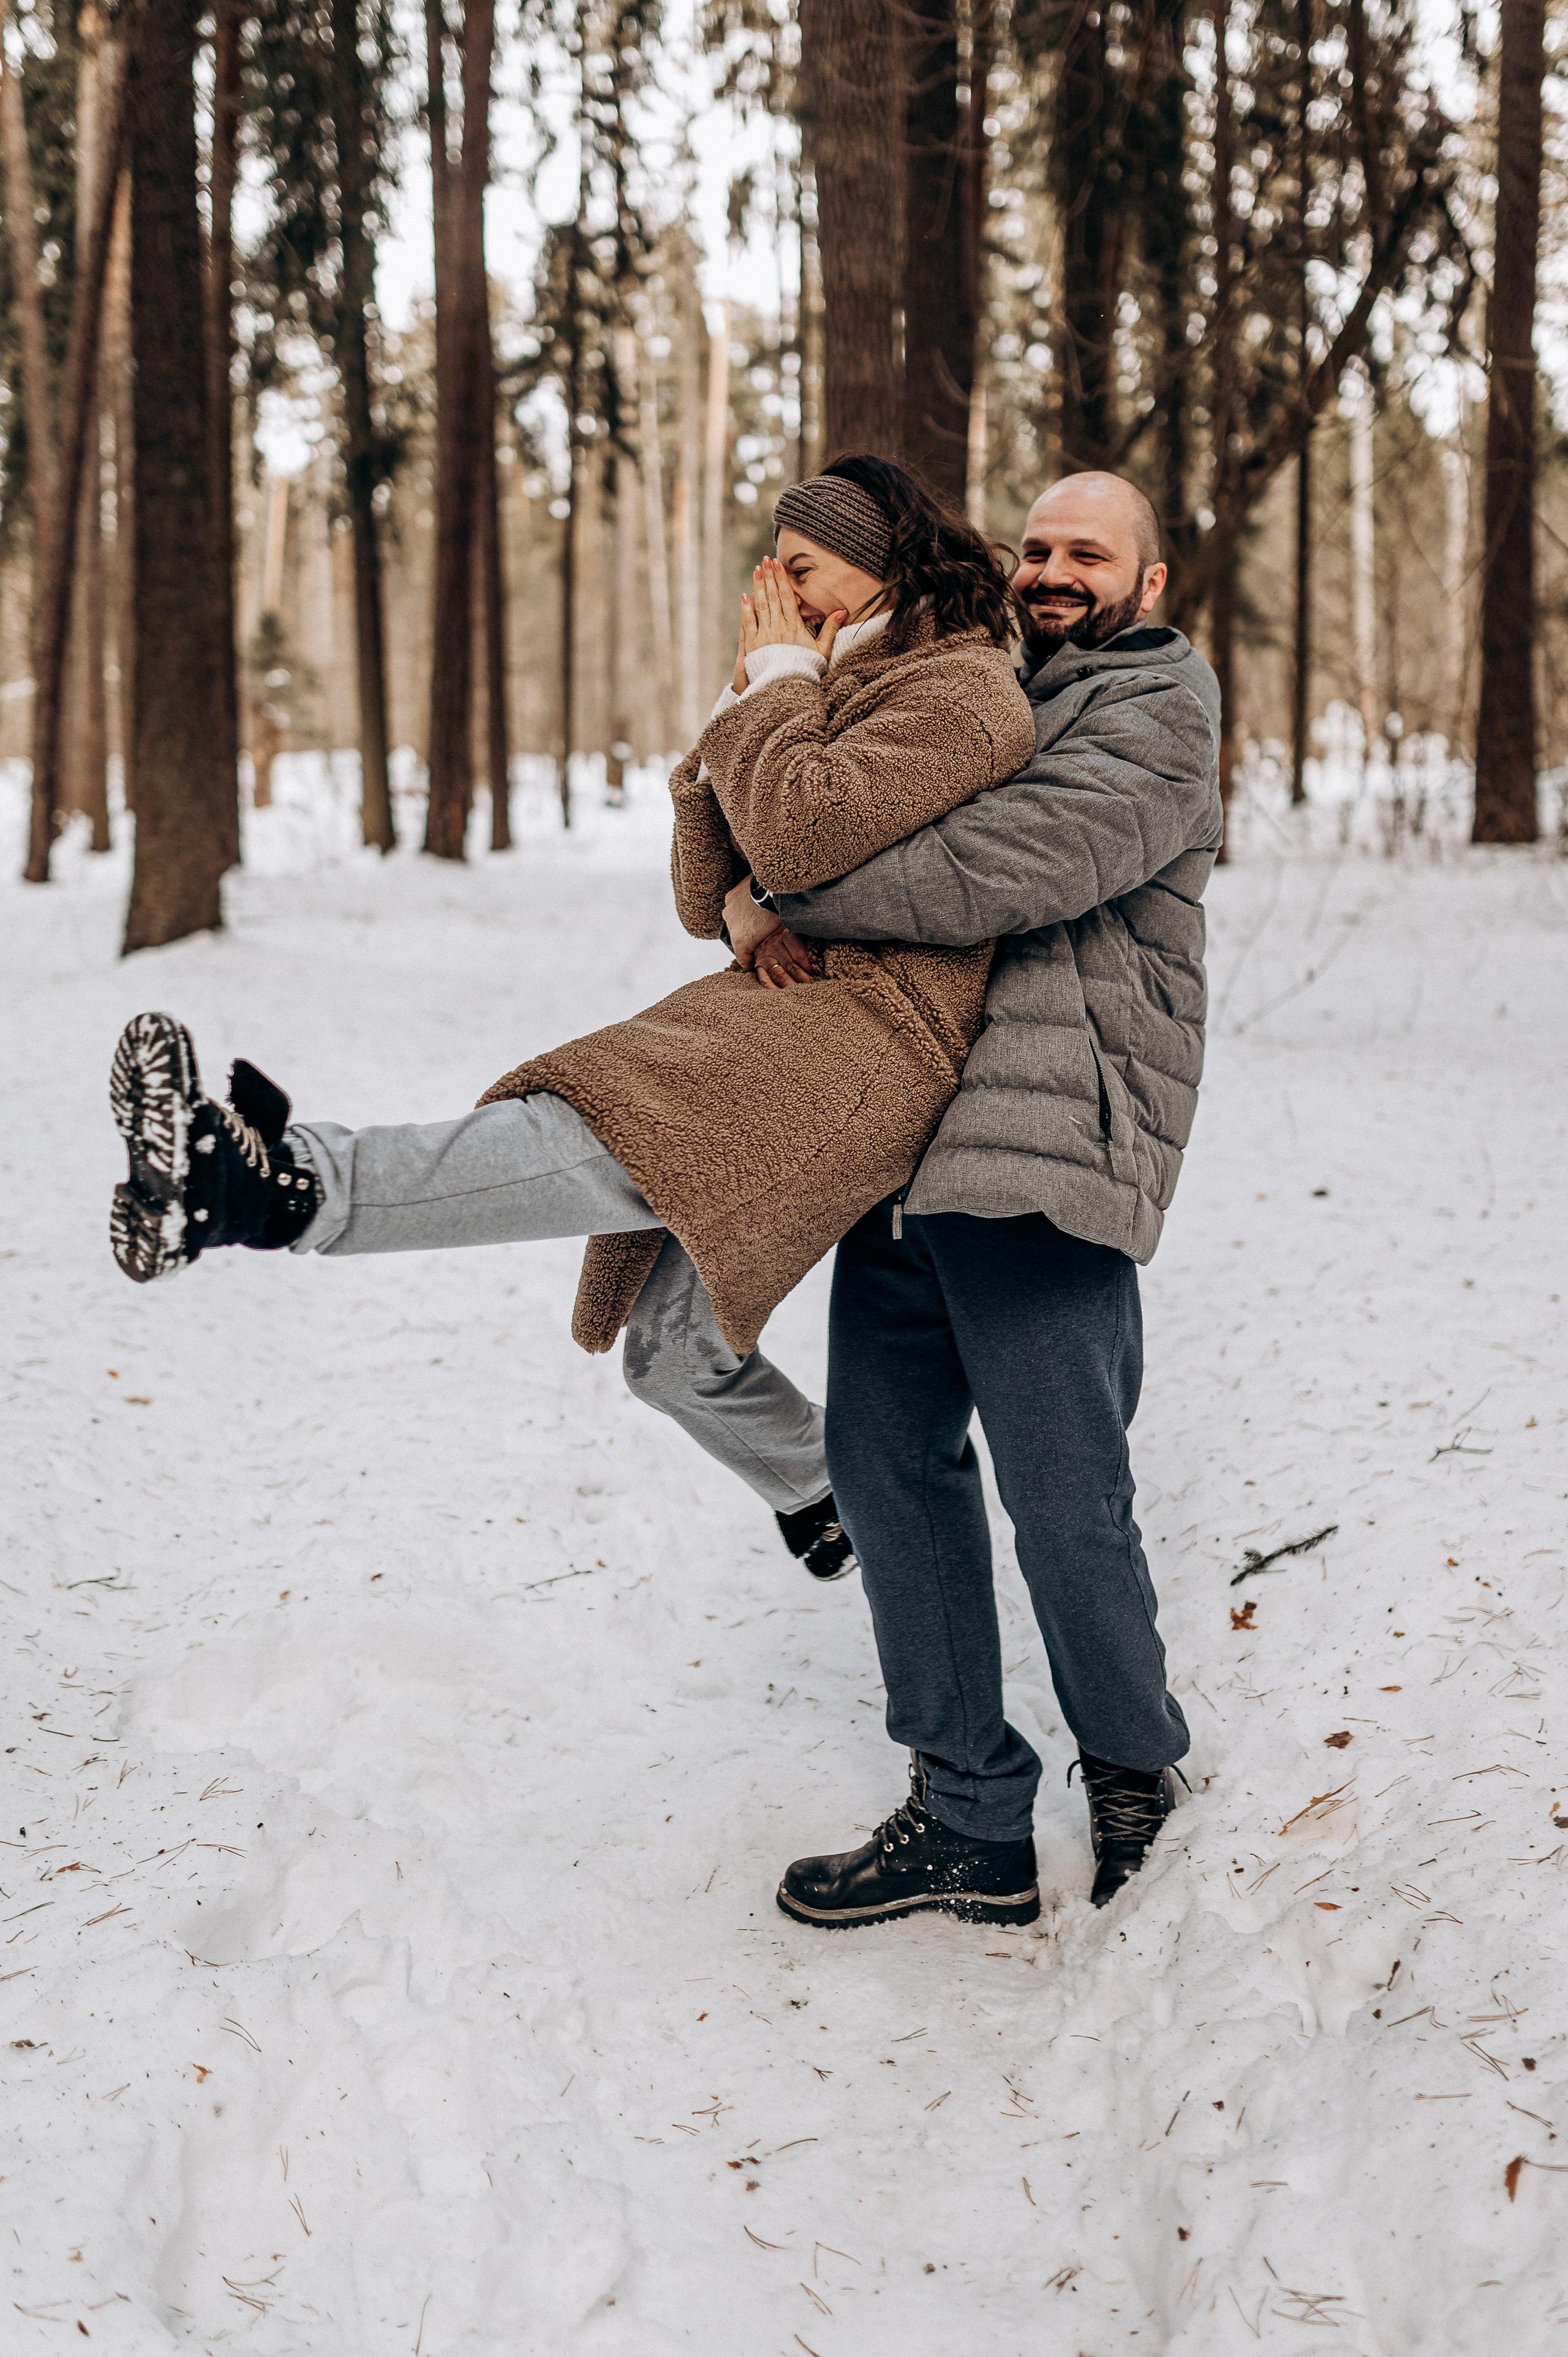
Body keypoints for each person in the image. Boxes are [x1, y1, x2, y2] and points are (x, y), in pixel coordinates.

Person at [108, 456, 1035, 1593]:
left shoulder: (963, 690)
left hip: (884, 1034)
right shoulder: (824, 680)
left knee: (605, 1130)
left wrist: (780, 694)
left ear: (881, 557)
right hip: (797, 1006)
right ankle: (820, 1490)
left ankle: (274, 1187)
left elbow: (802, 836)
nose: (778, 593)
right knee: (672, 1355)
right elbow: (707, 888)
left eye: (801, 569)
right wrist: (743, 777)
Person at [724, 470, 1224, 1924]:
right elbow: (804, 810)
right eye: (1036, 545)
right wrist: (756, 855)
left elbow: (992, 871)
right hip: (912, 1141)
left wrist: (786, 893)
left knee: (1063, 1496)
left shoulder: (1154, 711)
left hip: (1041, 1147)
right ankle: (965, 1812)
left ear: (1148, 582)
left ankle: (1129, 1765)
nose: (1051, 569)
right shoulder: (987, 684)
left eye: (1089, 553)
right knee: (884, 1470)